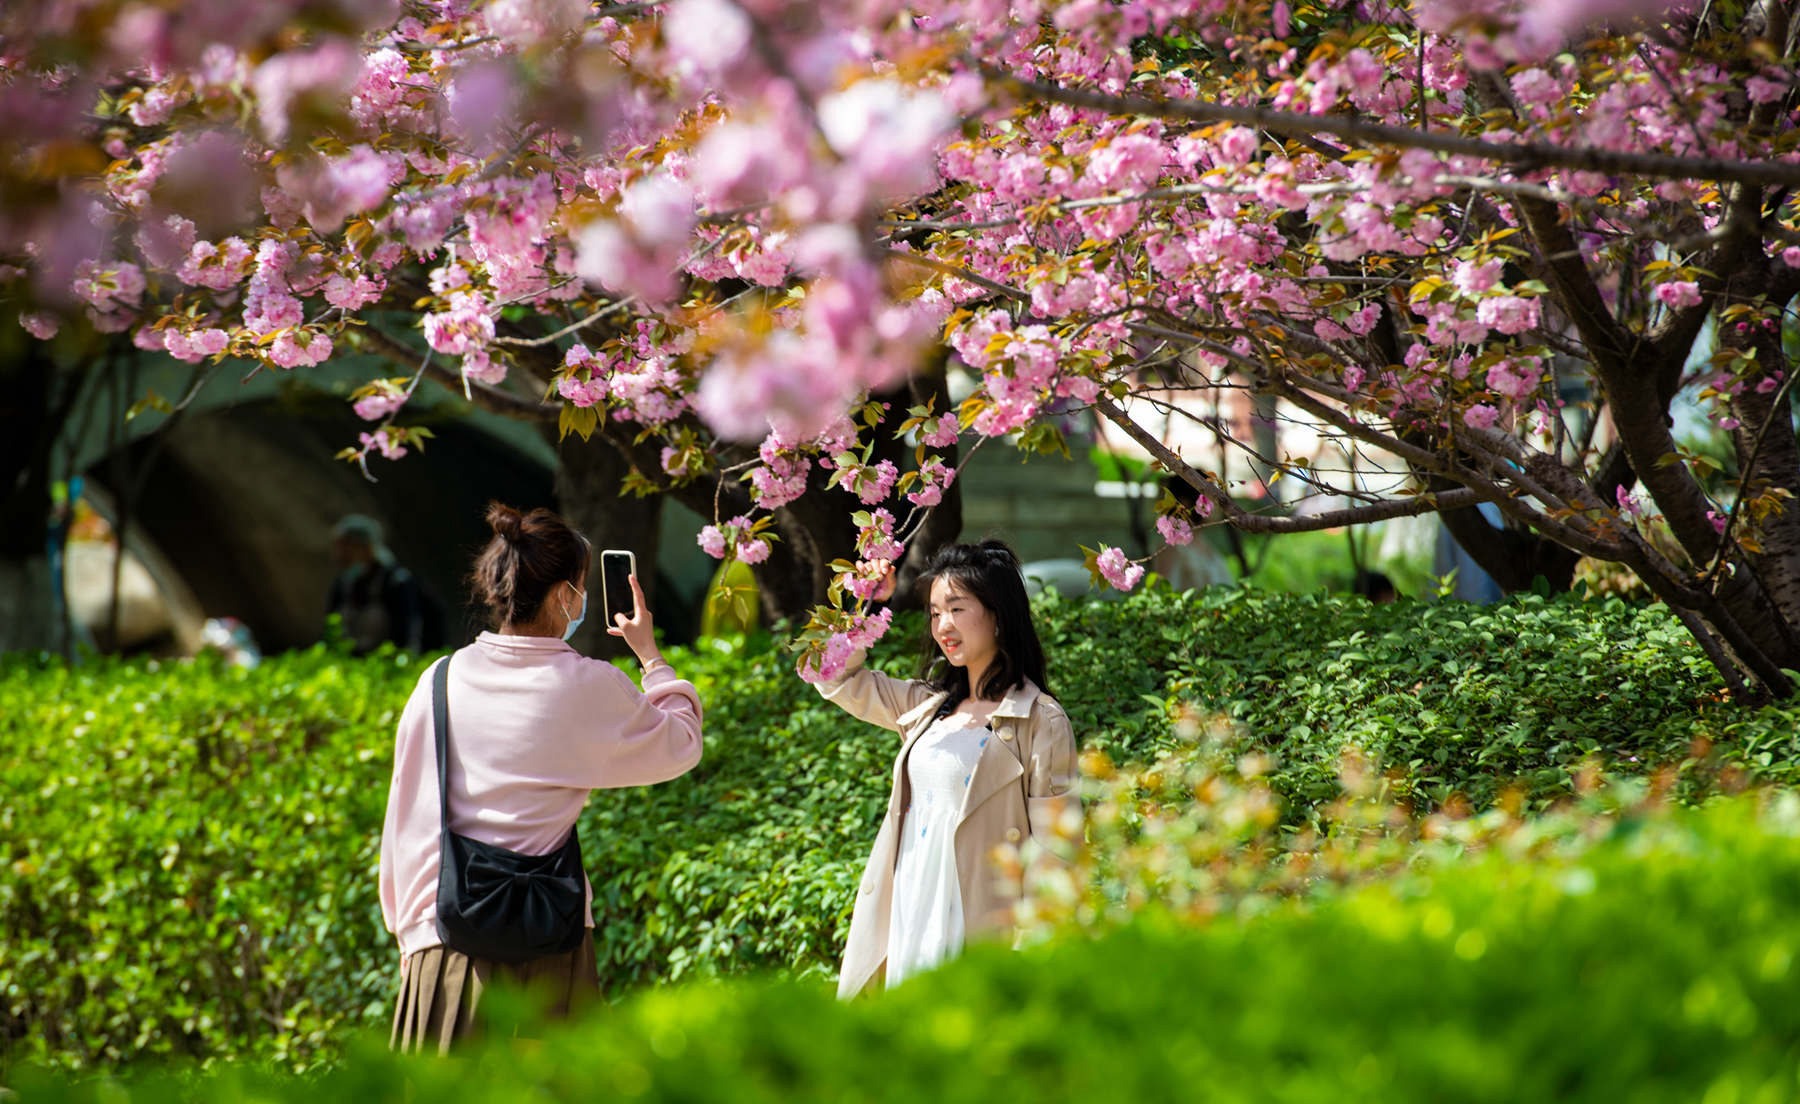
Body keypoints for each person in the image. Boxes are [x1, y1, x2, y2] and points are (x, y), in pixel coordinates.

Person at [379, 503, 703, 1053]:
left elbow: (407, 818)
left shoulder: (439, 680)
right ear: (562, 596)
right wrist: (651, 658)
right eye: (580, 587)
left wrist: (410, 933)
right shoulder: (585, 684)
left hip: (443, 934)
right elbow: (680, 745)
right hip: (551, 941)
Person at [807, 539, 1081, 997]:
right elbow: (836, 677)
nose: (943, 626)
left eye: (956, 608)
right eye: (935, 613)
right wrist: (867, 602)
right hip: (911, 901)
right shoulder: (926, 706)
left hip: (977, 915)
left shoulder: (1039, 719)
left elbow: (1056, 850)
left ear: (997, 613)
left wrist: (1030, 953)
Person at [326, 514, 425, 654]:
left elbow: (407, 635)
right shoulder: (344, 584)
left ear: (367, 548)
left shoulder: (396, 582)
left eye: (347, 548)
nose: (340, 556)